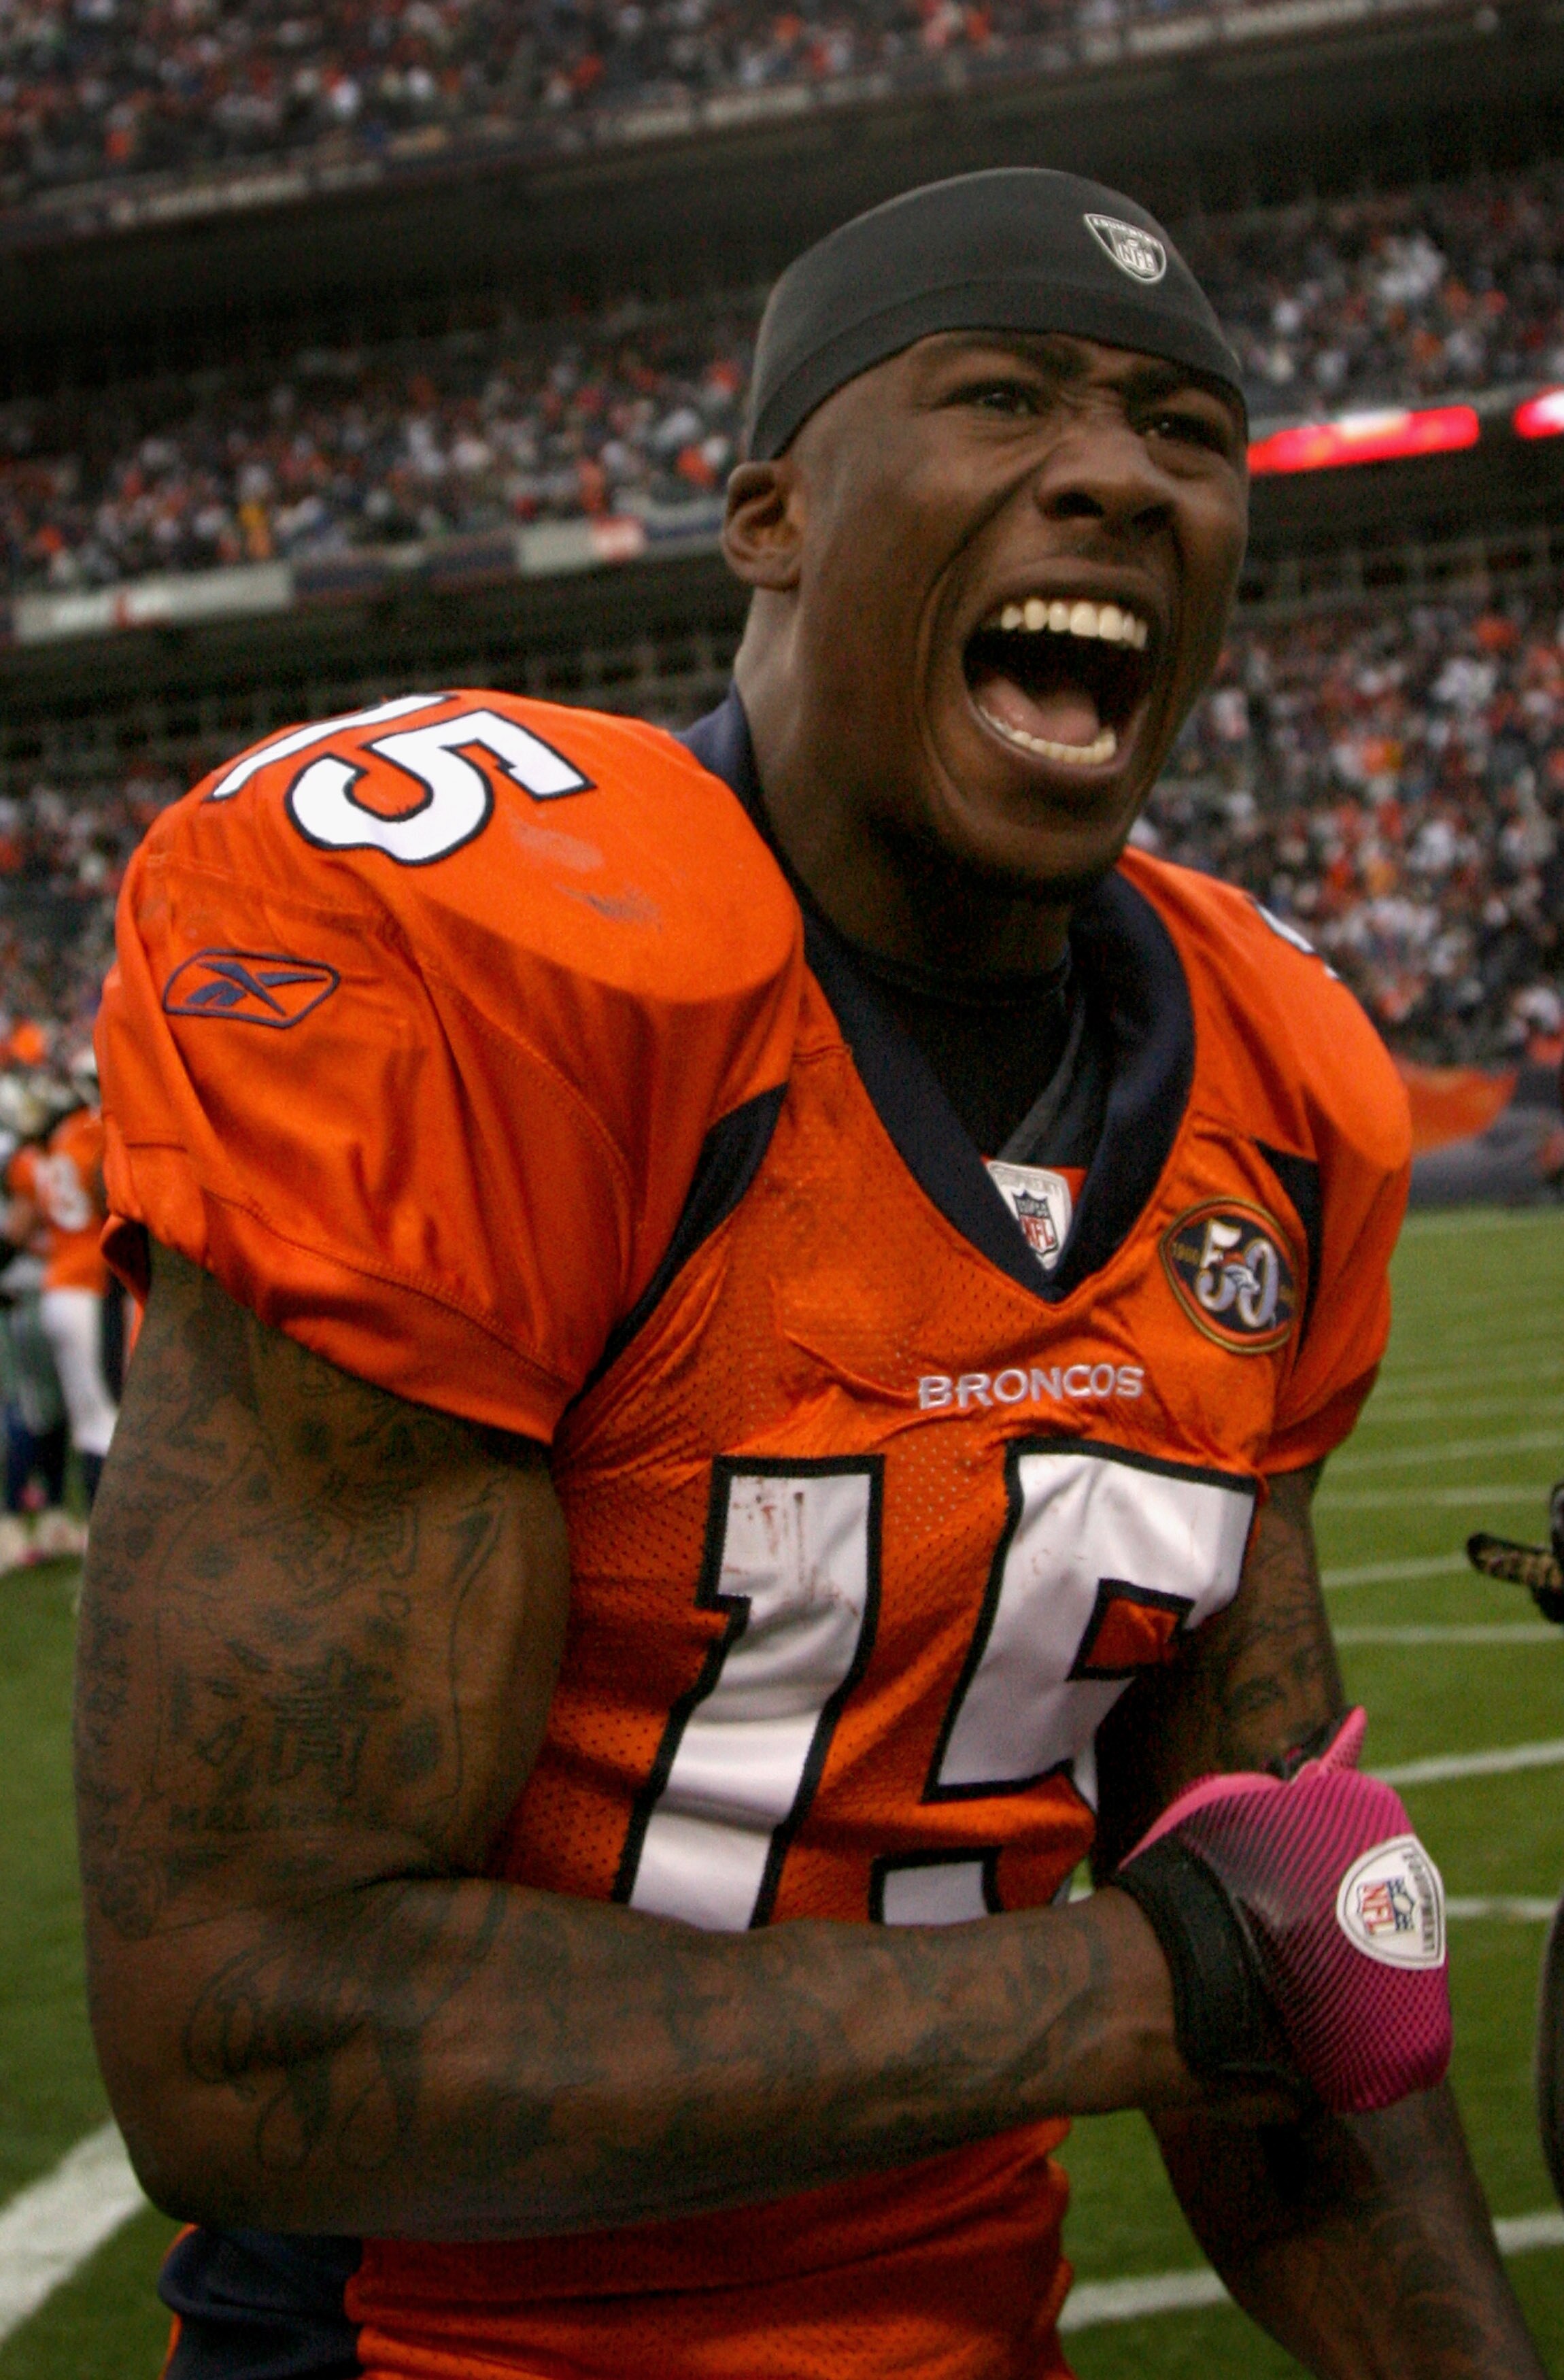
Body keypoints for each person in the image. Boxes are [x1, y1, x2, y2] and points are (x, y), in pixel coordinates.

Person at [79, 171, 1543, 2380]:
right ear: (766, 514)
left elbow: (1285, 1944)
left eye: (1184, 432)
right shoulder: (501, 968)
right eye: (1008, 398)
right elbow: (252, 2033)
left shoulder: (1277, 1078)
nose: (1117, 476)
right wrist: (1146, 1980)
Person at [5, 1052, 118, 1507]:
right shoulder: (96, 1133)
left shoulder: (56, 1142)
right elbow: (110, 1197)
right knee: (106, 1419)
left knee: (89, 1420)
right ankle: (104, 1526)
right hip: (93, 1285)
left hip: (57, 1286)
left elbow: (22, 1224)